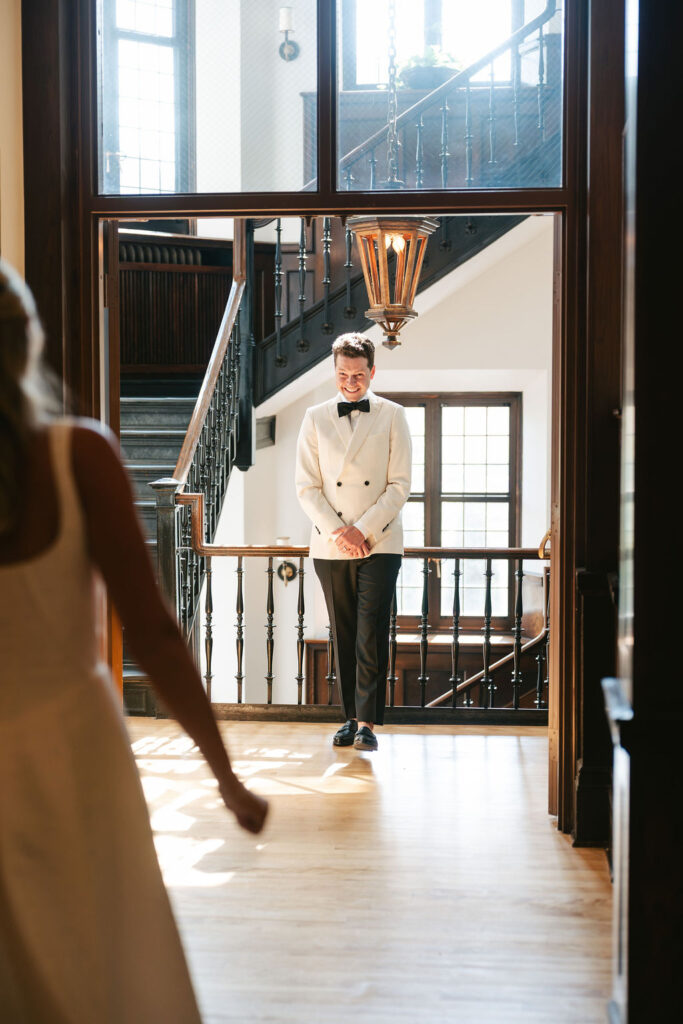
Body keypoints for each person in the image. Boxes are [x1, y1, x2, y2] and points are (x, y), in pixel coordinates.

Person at [0, 260, 267, 1023]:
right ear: (30, 342)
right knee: (102, 949)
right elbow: (150, 629)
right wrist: (224, 775)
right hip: (71, 742)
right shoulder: (78, 455)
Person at [295, 333, 412, 751]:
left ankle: (368, 725)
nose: (350, 382)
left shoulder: (394, 415)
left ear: (372, 372)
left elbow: (399, 487)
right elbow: (306, 487)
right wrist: (340, 532)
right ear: (335, 372)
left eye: (358, 374)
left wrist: (361, 530)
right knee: (342, 632)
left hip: (379, 543)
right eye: (343, 374)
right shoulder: (314, 417)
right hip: (330, 545)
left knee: (370, 632)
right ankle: (348, 718)